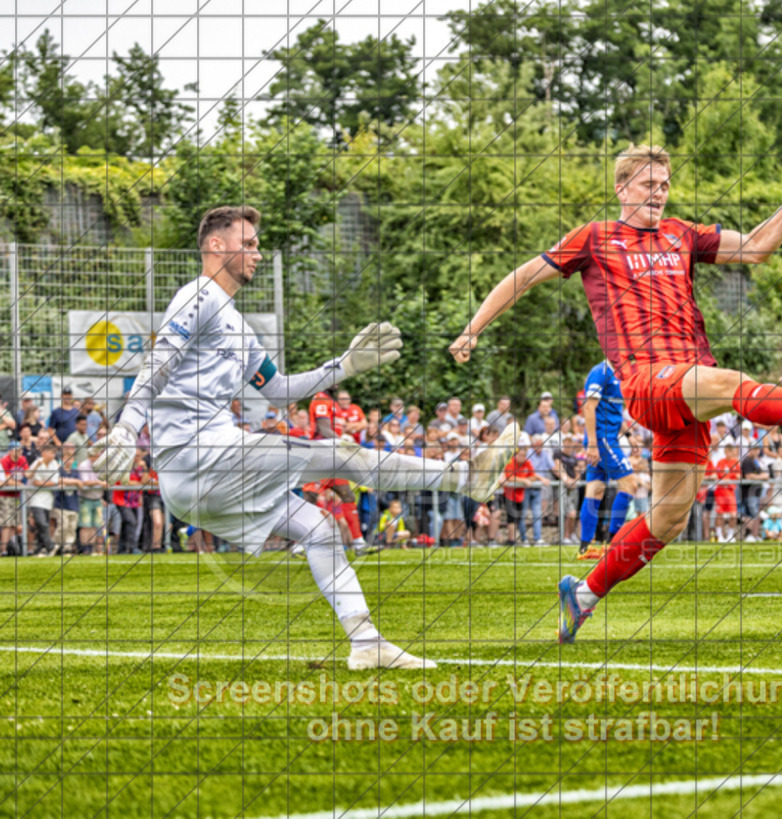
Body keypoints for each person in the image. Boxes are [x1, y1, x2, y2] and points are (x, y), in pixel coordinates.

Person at [448, 144, 782, 643]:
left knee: (667, 517)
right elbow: (524, 276)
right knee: (729, 383)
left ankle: (582, 595)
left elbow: (753, 248)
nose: (658, 194)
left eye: (664, 185)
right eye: (648, 184)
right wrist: (472, 329)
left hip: (689, 386)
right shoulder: (595, 239)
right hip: (646, 380)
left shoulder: (682, 233)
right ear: (622, 188)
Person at [89, 205, 517, 669]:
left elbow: (276, 389)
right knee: (341, 453)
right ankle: (465, 477)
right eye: (247, 243)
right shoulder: (198, 297)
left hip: (200, 480)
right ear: (216, 246)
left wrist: (343, 366)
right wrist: (128, 427)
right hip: (201, 458)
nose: (256, 253)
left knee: (321, 529)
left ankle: (366, 642)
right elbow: (158, 362)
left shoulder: (239, 327)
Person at [577, 360, 637, 558]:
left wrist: (628, 435)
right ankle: (612, 543)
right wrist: (593, 444)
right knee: (630, 485)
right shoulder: (600, 372)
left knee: (595, 490)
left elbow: (612, 412)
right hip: (602, 440)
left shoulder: (621, 373)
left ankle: (585, 547)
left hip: (608, 438)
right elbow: (589, 407)